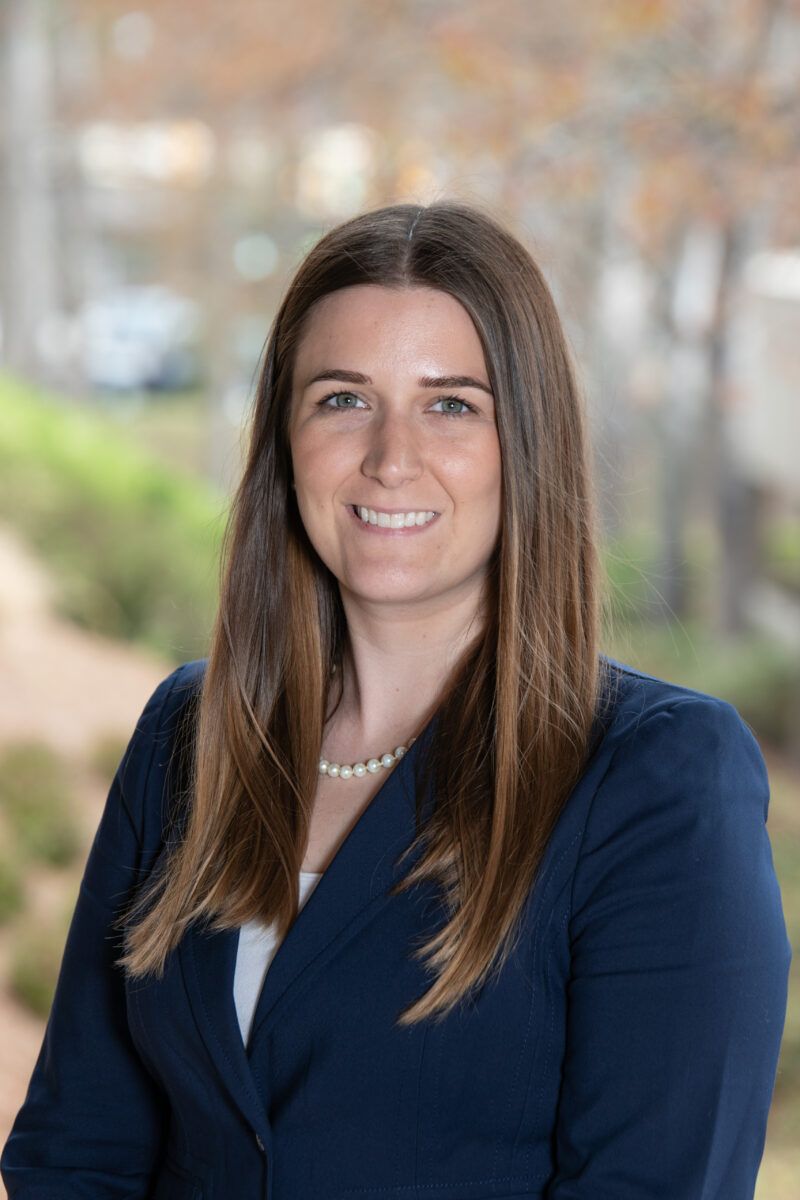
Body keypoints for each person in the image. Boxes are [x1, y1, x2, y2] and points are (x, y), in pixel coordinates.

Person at [1, 200, 791, 1200]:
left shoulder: (655, 778)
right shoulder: (190, 739)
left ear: (528, 445)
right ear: (284, 439)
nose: (390, 456)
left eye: (451, 403)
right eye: (342, 398)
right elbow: (78, 1150)